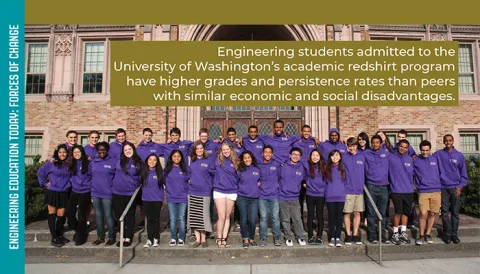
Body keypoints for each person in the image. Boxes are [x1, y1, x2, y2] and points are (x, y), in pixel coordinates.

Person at [435, 134, 469, 244]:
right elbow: (428, 159)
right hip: (443, 187)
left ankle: (455, 234)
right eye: (446, 141)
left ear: (453, 141)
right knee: (444, 212)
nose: (448, 142)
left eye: (450, 140)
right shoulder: (439, 154)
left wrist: (460, 186)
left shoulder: (459, 156)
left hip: (455, 188)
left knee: (455, 212)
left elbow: (464, 174)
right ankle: (447, 234)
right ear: (443, 142)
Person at [37, 144, 72, 247]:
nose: (62, 154)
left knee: (61, 216)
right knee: (52, 215)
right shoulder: (51, 163)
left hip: (64, 192)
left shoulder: (69, 164)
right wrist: (44, 183)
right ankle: (54, 237)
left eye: (64, 152)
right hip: (52, 192)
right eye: (60, 152)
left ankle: (58, 234)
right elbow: (40, 172)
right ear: (57, 153)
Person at [112, 142, 143, 247]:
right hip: (117, 192)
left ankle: (128, 237)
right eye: (125, 150)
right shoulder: (118, 160)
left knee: (130, 215)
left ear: (133, 149)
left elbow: (142, 177)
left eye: (129, 149)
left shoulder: (138, 162)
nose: (128, 151)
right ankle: (122, 236)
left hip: (131, 193)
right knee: (119, 216)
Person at [364, 135, 391, 244]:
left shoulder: (386, 154)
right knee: (370, 212)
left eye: (377, 142)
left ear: (381, 143)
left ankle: (382, 235)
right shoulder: (366, 153)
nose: (375, 144)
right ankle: (372, 235)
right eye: (373, 142)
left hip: (384, 187)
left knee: (383, 213)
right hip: (371, 186)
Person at [188, 141, 215, 248]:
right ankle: (197, 239)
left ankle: (204, 239)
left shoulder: (209, 161)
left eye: (201, 148)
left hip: (205, 192)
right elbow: (188, 175)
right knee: (195, 216)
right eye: (197, 149)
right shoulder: (192, 161)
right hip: (192, 192)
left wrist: (210, 185)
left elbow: (214, 174)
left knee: (203, 216)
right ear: (194, 150)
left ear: (203, 149)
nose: (199, 150)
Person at [414, 140, 441, 245]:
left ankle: (428, 234)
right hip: (423, 190)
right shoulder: (416, 160)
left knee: (432, 213)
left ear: (430, 150)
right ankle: (421, 235)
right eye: (423, 150)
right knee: (423, 213)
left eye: (427, 150)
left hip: (436, 190)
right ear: (420, 150)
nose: (425, 152)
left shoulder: (435, 159)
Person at [89, 142, 117, 246]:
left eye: (104, 149)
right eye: (99, 150)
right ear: (97, 151)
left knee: (109, 215)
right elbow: (88, 175)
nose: (102, 152)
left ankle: (111, 237)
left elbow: (117, 176)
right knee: (98, 216)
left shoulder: (113, 161)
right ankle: (100, 237)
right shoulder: (93, 162)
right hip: (95, 193)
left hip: (108, 193)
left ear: (107, 150)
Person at [279, 147, 307, 247]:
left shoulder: (302, 167)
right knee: (285, 219)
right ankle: (288, 237)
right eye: (294, 154)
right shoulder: (283, 166)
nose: (295, 156)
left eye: (298, 155)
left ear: (300, 157)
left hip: (295, 197)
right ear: (290, 155)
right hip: (283, 196)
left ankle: (300, 236)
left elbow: (305, 179)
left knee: (297, 218)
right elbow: (277, 178)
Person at [213, 142, 239, 248]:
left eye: (227, 149)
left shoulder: (236, 161)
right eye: (223, 150)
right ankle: (219, 239)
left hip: (232, 191)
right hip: (219, 190)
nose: (226, 151)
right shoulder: (217, 160)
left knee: (228, 216)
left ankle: (224, 239)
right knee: (222, 216)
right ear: (221, 151)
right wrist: (218, 142)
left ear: (231, 150)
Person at [389, 140, 414, 245]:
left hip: (408, 190)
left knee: (405, 213)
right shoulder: (391, 157)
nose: (402, 148)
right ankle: (395, 233)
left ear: (407, 148)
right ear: (398, 146)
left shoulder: (410, 159)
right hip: (396, 190)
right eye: (401, 146)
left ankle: (403, 232)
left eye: (405, 147)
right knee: (398, 212)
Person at [65, 145, 91, 246]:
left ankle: (81, 236)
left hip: (85, 191)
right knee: (69, 212)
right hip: (75, 190)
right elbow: (59, 160)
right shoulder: (71, 163)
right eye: (75, 152)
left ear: (82, 153)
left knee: (81, 214)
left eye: (78, 152)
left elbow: (92, 175)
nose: (77, 154)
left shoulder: (88, 163)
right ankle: (79, 229)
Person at [293, 125, 319, 226]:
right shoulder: (297, 142)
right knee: (299, 201)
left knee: (309, 202)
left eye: (308, 131)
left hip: (310, 175)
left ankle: (310, 221)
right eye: (305, 131)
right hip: (299, 174)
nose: (306, 133)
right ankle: (298, 222)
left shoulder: (314, 142)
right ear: (301, 132)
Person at [164, 150, 190, 247]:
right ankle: (173, 238)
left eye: (178, 156)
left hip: (182, 197)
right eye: (174, 156)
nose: (176, 158)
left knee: (181, 218)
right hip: (171, 197)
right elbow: (163, 181)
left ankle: (181, 238)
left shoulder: (185, 169)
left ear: (181, 158)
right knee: (173, 218)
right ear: (171, 158)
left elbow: (189, 180)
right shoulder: (167, 170)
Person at [343, 137, 366, 245]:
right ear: (347, 146)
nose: (352, 148)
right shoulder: (344, 157)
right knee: (347, 212)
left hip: (359, 190)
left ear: (357, 146)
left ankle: (355, 234)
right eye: (350, 146)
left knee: (357, 213)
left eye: (354, 146)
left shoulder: (362, 156)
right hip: (348, 189)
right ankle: (348, 234)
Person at [258, 145, 282, 247]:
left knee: (275, 217)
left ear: (272, 154)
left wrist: (277, 187)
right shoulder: (258, 165)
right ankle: (263, 237)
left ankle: (277, 237)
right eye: (265, 152)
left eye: (269, 152)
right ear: (262, 154)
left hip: (274, 195)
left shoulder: (276, 165)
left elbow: (281, 177)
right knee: (263, 218)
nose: (267, 154)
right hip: (262, 195)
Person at [237, 151, 261, 248]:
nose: (247, 159)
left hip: (254, 198)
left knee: (252, 220)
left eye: (249, 157)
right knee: (243, 219)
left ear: (252, 158)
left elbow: (260, 180)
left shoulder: (257, 169)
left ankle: (251, 238)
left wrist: (258, 184)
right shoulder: (240, 170)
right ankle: (245, 239)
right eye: (245, 158)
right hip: (242, 198)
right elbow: (235, 181)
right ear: (242, 160)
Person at [325, 150, 347, 247]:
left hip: (341, 196)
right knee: (331, 218)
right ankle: (332, 237)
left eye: (337, 155)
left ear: (340, 157)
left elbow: (347, 181)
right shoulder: (326, 168)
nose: (335, 157)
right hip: (330, 196)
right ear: (330, 157)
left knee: (339, 218)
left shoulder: (343, 168)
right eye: (333, 155)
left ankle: (337, 237)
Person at [141, 154, 164, 248]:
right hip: (146, 199)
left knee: (155, 219)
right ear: (147, 161)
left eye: (154, 160)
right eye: (150, 159)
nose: (152, 162)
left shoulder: (160, 172)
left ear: (157, 162)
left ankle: (156, 238)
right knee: (149, 219)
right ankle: (149, 239)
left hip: (157, 199)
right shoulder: (143, 172)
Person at [304, 149, 327, 245]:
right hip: (310, 194)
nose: (315, 157)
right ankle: (310, 236)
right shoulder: (307, 165)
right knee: (310, 215)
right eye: (313, 155)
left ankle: (320, 236)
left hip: (321, 195)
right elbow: (303, 176)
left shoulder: (324, 166)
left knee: (319, 215)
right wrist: (305, 183)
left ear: (320, 156)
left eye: (317, 155)